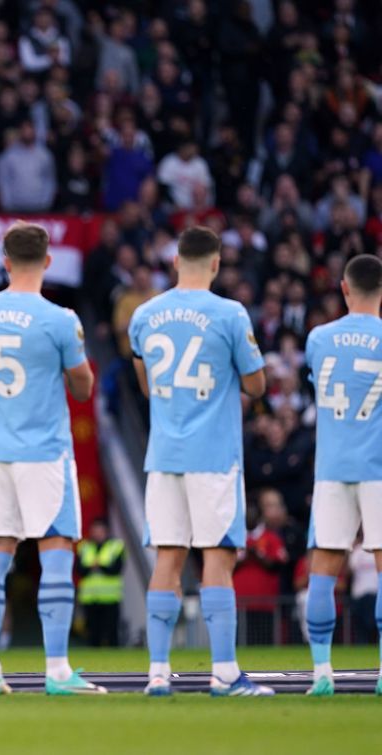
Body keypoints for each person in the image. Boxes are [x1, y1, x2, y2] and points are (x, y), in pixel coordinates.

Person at [129, 226, 273, 697]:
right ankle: (225, 673)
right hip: (213, 454)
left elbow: (147, 384)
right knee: (217, 557)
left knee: (168, 557)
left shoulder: (145, 315)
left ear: (175, 261)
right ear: (215, 264)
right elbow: (256, 386)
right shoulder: (230, 313)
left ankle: (157, 672)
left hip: (165, 453)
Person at [0, 221, 103, 696]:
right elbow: (83, 385)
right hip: (45, 453)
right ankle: (59, 670)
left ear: (4, 261)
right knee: (57, 552)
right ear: (48, 261)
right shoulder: (61, 320)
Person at [301, 253, 382, 696]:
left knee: (323, 572)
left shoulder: (319, 337)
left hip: (332, 470)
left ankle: (322, 674)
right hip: (378, 467)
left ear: (344, 289)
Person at [76, 518, 124, 648]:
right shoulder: (84, 547)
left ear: (106, 531)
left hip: (110, 597)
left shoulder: (116, 546)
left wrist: (98, 566)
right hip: (90, 597)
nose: (97, 534)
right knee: (92, 631)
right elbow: (79, 570)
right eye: (95, 531)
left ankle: (114, 658)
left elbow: (116, 569)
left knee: (111, 630)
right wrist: (96, 566)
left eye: (100, 531)